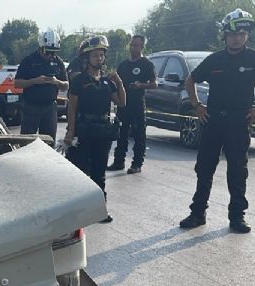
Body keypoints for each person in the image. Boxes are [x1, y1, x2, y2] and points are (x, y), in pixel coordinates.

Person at [178, 8, 255, 233]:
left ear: (247, 36)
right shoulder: (215, 59)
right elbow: (190, 81)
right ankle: (198, 213)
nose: (237, 38)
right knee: (204, 169)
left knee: (237, 170)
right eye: (233, 34)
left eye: (242, 34)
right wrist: (197, 106)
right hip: (213, 121)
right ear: (225, 35)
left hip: (239, 122)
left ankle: (237, 217)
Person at [65, 35, 126, 223]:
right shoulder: (79, 81)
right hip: (83, 130)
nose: (99, 58)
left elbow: (122, 102)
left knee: (99, 172)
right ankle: (79, 211)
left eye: (101, 55)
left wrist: (120, 82)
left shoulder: (108, 81)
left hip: (102, 131)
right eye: (95, 55)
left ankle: (100, 210)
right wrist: (70, 131)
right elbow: (72, 107)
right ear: (86, 58)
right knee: (81, 171)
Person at [108, 34, 156, 174]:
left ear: (141, 47)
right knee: (121, 133)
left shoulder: (146, 64)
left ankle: (137, 164)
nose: (133, 48)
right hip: (123, 105)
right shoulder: (124, 65)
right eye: (132, 45)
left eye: (136, 45)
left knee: (139, 134)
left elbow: (154, 84)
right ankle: (118, 161)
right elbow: (116, 83)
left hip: (137, 104)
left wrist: (141, 85)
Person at [14, 29, 68, 141]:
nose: (49, 54)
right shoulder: (29, 60)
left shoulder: (58, 62)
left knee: (49, 140)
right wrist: (34, 81)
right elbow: (17, 83)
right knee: (27, 141)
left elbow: (66, 85)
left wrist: (55, 81)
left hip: (50, 107)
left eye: (53, 51)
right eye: (47, 51)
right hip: (31, 106)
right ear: (40, 47)